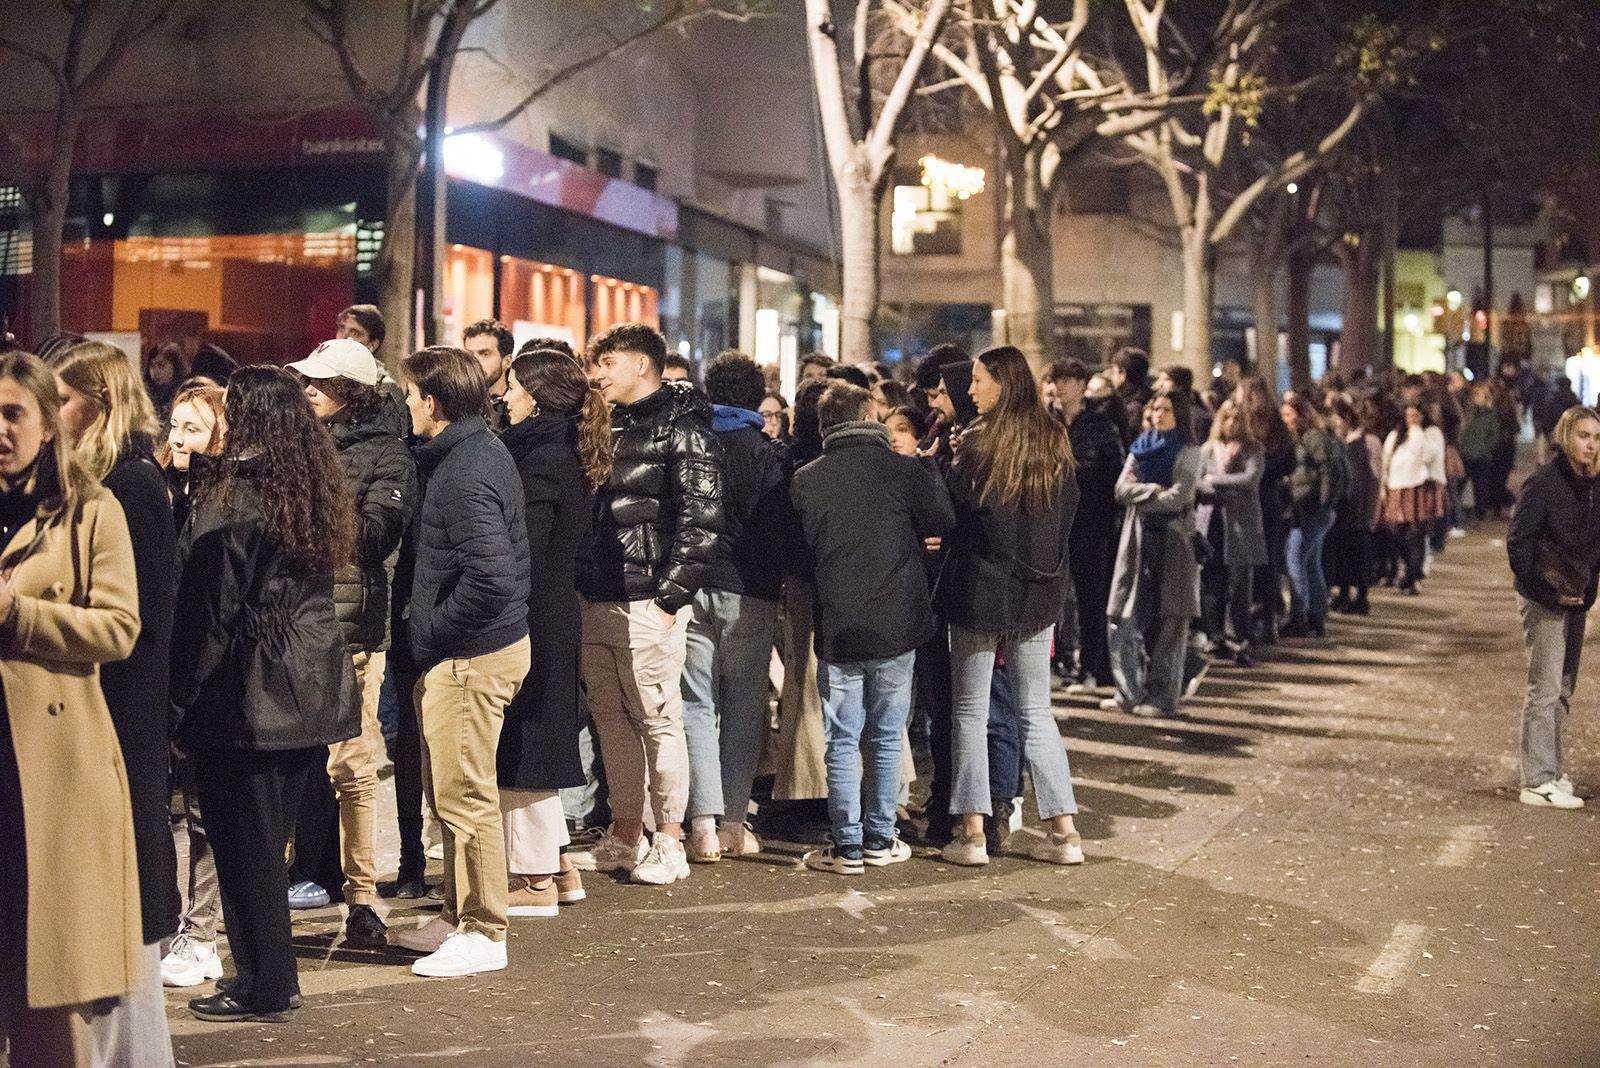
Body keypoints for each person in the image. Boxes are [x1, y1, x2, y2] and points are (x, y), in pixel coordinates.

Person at [169, 366, 360, 1023]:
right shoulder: (311, 485)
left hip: (247, 701)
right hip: (307, 691)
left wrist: (175, 707)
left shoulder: (238, 496)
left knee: (243, 852)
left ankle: (266, 983)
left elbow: (210, 619)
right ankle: (264, 978)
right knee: (265, 849)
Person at [0, 351, 154, 1062]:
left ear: (46, 423)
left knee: (42, 984)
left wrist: (18, 615)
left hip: (46, 772)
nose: (0, 429)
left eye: (13, 414)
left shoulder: (92, 507)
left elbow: (120, 628)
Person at [50, 341, 178, 1055]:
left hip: (120, 716)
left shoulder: (129, 487)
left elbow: (141, 620)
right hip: (101, 712)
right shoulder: (96, 484)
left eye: (62, 401)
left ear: (99, 404)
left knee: (120, 893)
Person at [389, 346, 531, 976]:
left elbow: (491, 579)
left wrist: (430, 633)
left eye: (411, 395)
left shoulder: (467, 469)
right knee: (450, 797)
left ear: (434, 403)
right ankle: (458, 915)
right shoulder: (464, 456)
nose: (405, 404)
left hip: (471, 657)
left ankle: (484, 929)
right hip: (466, 653)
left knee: (466, 798)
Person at [578, 323, 725, 884]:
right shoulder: (604, 425)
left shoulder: (684, 429)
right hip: (599, 594)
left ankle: (670, 839)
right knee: (612, 720)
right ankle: (625, 832)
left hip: (648, 603)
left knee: (659, 720)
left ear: (642, 364)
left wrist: (670, 599)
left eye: (608, 362)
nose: (598, 374)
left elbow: (702, 518)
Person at [286, 337, 417, 948]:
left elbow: (371, 538)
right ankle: (292, 876)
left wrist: (303, 507)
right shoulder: (299, 445)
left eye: (319, 382)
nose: (307, 390)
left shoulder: (388, 454)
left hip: (351, 629)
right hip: (293, 622)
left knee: (353, 764)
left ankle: (361, 896)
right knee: (289, 761)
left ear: (350, 391)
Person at [790, 382, 953, 873]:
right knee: (885, 734)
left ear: (824, 426)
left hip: (838, 624)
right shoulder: (903, 471)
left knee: (841, 738)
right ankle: (882, 838)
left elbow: (798, 556)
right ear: (870, 417)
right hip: (898, 623)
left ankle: (847, 846)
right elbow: (943, 521)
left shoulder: (805, 480)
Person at [937, 347, 1083, 868]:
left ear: (1001, 382)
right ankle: (1064, 831)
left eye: (978, 381)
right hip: (1038, 593)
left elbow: (955, 513)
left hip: (981, 589)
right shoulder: (1053, 439)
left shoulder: (978, 442)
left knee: (971, 711)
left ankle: (973, 832)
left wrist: (949, 462)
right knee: (1036, 713)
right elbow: (1067, 515)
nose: (970, 391)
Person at [496, 349, 610, 914]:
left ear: (536, 395)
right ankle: (560, 868)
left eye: (512, 386)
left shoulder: (540, 458)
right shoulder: (562, 449)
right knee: (533, 734)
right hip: (553, 609)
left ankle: (533, 877)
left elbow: (529, 550)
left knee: (528, 739)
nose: (504, 396)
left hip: (536, 612)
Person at [681, 351, 796, 861]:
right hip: (751, 590)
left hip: (695, 582)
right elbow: (779, 529)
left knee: (694, 705)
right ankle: (732, 822)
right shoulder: (768, 455)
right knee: (745, 707)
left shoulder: (693, 443)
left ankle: (700, 826)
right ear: (756, 399)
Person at [154, 378, 229, 988]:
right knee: (167, 807)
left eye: (193, 428)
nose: (179, 439)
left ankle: (202, 933)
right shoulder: (163, 488)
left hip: (206, 674)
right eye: (175, 426)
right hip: (165, 667)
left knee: (203, 812)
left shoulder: (220, 496)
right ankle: (175, 923)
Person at [1506, 406, 1600, 809]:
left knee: (1562, 688)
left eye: (1596, 437)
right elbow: (1519, 543)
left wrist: (1587, 590)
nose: (1591, 445)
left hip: (1577, 597)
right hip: (1543, 596)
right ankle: (1537, 779)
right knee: (1544, 687)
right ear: (1566, 438)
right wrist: (1547, 590)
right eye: (1583, 436)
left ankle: (1553, 770)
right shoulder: (1544, 483)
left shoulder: (1595, 486)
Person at [1105, 394, 1201, 717]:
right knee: (1122, 615)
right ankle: (1128, 691)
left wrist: (1144, 497)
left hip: (1174, 541)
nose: (1157, 414)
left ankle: (1163, 695)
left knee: (1171, 617)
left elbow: (1180, 496)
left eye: (1166, 410)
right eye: (1154, 408)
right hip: (1136, 540)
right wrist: (1153, 491)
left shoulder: (1188, 451)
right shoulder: (1141, 446)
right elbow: (1120, 489)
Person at [1047, 359, 1124, 692]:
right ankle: (1061, 661)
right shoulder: (1048, 422)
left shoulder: (1099, 425)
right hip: (1053, 522)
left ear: (1080, 383)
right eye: (1056, 380)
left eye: (1066, 380)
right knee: (1053, 596)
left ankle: (1093, 665)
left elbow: (1113, 473)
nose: (1060, 386)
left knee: (1091, 597)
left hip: (1091, 522)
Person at [1195, 399, 1266, 665]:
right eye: (1226, 418)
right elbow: (1196, 482)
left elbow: (1249, 480)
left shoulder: (1253, 449)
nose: (1231, 423)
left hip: (1240, 524)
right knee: (1212, 581)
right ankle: (1214, 635)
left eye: (1237, 418)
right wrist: (1214, 485)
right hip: (1210, 521)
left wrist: (1214, 482)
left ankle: (1239, 636)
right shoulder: (1208, 449)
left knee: (1239, 583)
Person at [1235, 377, 1294, 644]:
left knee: (1247, 560)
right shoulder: (1278, 426)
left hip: (1250, 499)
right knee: (1269, 560)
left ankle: (1249, 617)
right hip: (1270, 499)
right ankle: (1268, 617)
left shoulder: (1243, 425)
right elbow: (1289, 462)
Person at [1280, 394, 1344, 636]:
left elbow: (1327, 470)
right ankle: (1316, 614)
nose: (1285, 420)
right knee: (1311, 562)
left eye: (1289, 415)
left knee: (1295, 559)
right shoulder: (1303, 438)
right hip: (1310, 507)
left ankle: (1300, 615)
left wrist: (1323, 503)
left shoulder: (1313, 437)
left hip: (1312, 509)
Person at [1381, 401, 1447, 596]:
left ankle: (1413, 576)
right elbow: (1386, 461)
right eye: (1408, 415)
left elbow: (1426, 456)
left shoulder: (1431, 434)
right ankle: (1410, 571)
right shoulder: (1395, 435)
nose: (1411, 419)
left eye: (1415, 415)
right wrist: (1383, 487)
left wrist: (1417, 430)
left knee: (1415, 535)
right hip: (1397, 488)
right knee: (1397, 533)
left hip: (1420, 488)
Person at [1325, 397, 1381, 616]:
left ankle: (1362, 597)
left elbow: (1376, 478)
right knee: (1344, 552)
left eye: (1337, 419)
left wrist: (1373, 509)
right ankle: (1345, 593)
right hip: (1344, 507)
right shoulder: (1341, 443)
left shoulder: (1368, 442)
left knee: (1360, 552)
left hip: (1360, 507)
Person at [463, 318, 516, 433]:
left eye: (485, 354)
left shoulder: (519, 406)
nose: (475, 362)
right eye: (469, 355)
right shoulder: (457, 405)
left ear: (507, 361)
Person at [1107, 346, 1152, 447]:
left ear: (1122, 373)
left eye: (1113, 372)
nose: (1111, 377)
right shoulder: (1151, 400)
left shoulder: (1128, 408)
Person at [146, 340, 181, 413]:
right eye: (152, 365)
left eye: (161, 365)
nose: (155, 371)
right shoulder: (146, 393)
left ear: (175, 367)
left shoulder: (182, 395)